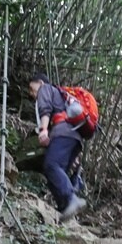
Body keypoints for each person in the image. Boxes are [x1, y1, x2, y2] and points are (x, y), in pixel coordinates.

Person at [29, 73, 86, 220]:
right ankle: (65, 209)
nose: (31, 93)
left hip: (63, 134)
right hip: (74, 138)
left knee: (51, 165)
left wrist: (43, 130)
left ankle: (71, 198)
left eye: (31, 88)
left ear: (39, 82)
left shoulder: (45, 89)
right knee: (55, 174)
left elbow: (45, 109)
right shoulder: (60, 96)